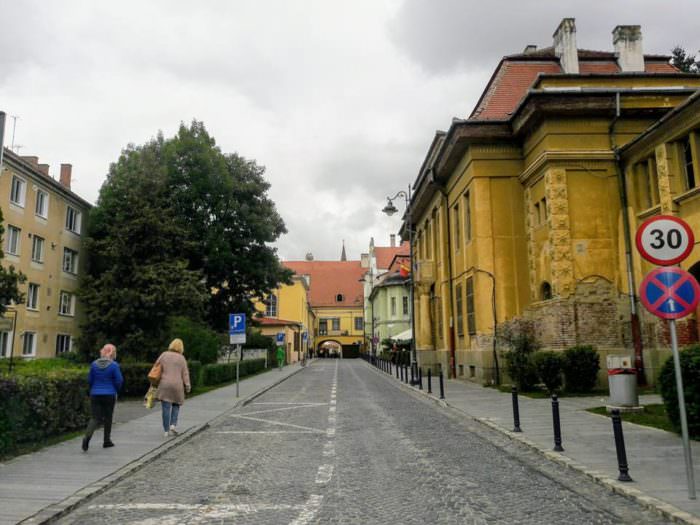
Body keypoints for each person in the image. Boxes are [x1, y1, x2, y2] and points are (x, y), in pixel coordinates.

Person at [82, 344, 123, 452]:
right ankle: (106, 441)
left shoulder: (94, 364)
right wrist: (116, 389)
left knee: (95, 417)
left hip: (95, 394)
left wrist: (93, 389)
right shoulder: (114, 365)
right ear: (112, 353)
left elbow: (90, 379)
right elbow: (119, 380)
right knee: (108, 417)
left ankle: (87, 437)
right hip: (109, 394)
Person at [155, 338, 191, 437]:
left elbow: (156, 367)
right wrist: (187, 385)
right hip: (177, 385)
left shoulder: (164, 355)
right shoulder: (181, 358)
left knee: (166, 408)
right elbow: (185, 373)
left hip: (165, 384)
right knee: (176, 405)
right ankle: (173, 425)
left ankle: (166, 430)